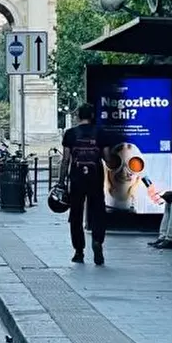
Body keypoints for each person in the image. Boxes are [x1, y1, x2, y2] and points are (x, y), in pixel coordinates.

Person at [60, 103, 111, 265]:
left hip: (76, 179)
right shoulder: (100, 133)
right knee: (98, 211)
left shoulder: (70, 134)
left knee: (76, 214)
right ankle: (97, 241)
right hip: (95, 178)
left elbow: (66, 160)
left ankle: (79, 251)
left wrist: (61, 181)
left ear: (78, 116)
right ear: (92, 116)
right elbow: (108, 159)